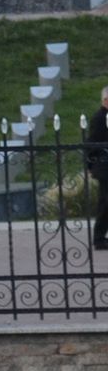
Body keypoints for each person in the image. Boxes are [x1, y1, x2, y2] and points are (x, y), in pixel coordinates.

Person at [87, 86, 108, 251]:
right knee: (106, 202)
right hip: (104, 166)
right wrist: (90, 164)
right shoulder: (100, 118)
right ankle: (99, 238)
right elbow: (92, 144)